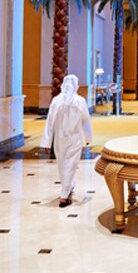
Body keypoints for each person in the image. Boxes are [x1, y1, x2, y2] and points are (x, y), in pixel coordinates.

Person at [41, 74, 92, 208]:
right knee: (69, 164)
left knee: (64, 164)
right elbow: (86, 120)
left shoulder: (57, 101)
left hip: (59, 139)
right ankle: (64, 195)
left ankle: (66, 189)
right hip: (74, 138)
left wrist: (47, 141)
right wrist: (87, 137)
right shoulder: (79, 101)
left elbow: (49, 123)